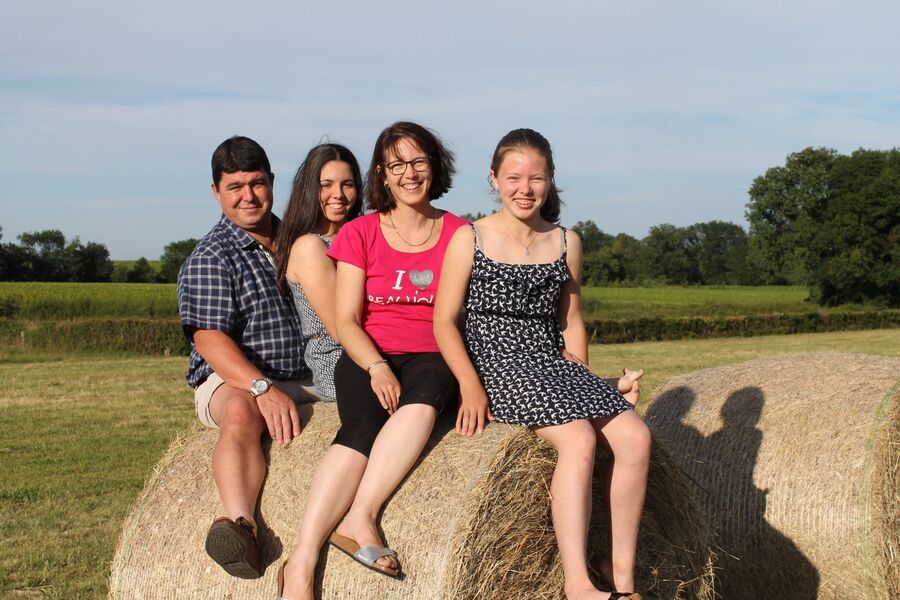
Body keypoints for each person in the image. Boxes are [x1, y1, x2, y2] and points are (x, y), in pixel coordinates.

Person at [433, 128, 651, 600]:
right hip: (497, 363)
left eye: (536, 178)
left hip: (550, 360)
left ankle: (621, 577)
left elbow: (572, 320)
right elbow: (444, 322)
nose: (524, 189)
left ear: (551, 181)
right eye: (513, 178)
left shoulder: (567, 241)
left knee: (635, 437)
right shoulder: (468, 239)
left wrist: (588, 382)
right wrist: (471, 387)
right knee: (577, 438)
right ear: (494, 178)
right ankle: (577, 584)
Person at [277, 122, 466, 599]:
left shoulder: (462, 232)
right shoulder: (357, 233)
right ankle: (301, 560)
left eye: (418, 161)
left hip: (431, 353)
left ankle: (361, 515)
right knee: (359, 430)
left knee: (421, 403)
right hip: (365, 353)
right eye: (396, 164)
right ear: (382, 174)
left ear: (434, 166)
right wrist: (377, 366)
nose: (408, 173)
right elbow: (345, 320)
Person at [177, 135, 316, 579]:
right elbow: (210, 340)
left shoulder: (301, 242)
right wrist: (262, 388)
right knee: (241, 410)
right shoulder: (212, 257)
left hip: (308, 374)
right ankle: (243, 527)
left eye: (256, 183)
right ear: (216, 192)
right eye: (235, 186)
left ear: (272, 183)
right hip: (234, 378)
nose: (248, 196)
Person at [274, 143, 364, 402]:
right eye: (326, 185)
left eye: (347, 184)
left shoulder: (359, 236)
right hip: (341, 362)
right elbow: (342, 329)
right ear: (310, 189)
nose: (338, 194)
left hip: (371, 352)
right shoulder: (310, 247)